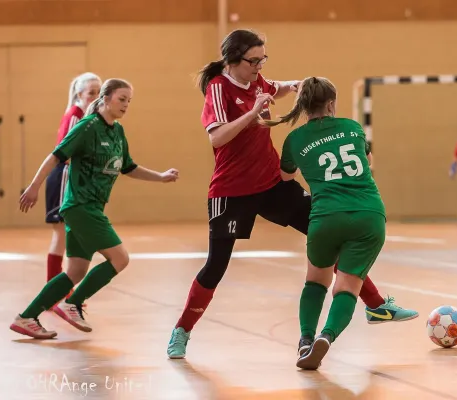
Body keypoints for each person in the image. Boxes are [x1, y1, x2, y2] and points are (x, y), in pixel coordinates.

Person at [167, 29, 417, 359]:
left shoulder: (257, 80)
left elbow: (275, 88)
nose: (259, 66)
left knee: (330, 237)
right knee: (216, 265)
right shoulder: (218, 88)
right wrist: (253, 112)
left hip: (273, 184)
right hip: (232, 190)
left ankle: (376, 306)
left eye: (263, 59)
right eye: (254, 60)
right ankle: (182, 330)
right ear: (233, 60)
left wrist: (295, 86)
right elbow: (217, 138)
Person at [10, 78, 180, 339]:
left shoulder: (117, 131)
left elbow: (128, 167)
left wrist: (161, 176)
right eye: (121, 99)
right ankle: (72, 303)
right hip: (80, 206)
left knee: (76, 270)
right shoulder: (87, 127)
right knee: (120, 258)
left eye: (129, 101)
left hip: (93, 208)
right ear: (106, 98)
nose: (125, 105)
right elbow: (55, 156)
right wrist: (33, 187)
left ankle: (27, 317)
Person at [264, 76, 389, 370]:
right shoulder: (353, 128)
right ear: (331, 103)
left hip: (324, 217)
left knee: (315, 280)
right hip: (368, 214)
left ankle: (305, 339)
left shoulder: (294, 139)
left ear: (303, 106)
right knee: (347, 286)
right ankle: (327, 336)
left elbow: (285, 178)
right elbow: (368, 162)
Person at [45, 72, 101, 299]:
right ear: (80, 93)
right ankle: (54, 290)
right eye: (91, 93)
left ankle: (61, 288)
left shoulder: (83, 114)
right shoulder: (77, 115)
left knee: (69, 233)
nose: (96, 97)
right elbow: (67, 153)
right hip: (63, 176)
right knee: (61, 233)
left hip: (71, 176)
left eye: (99, 93)